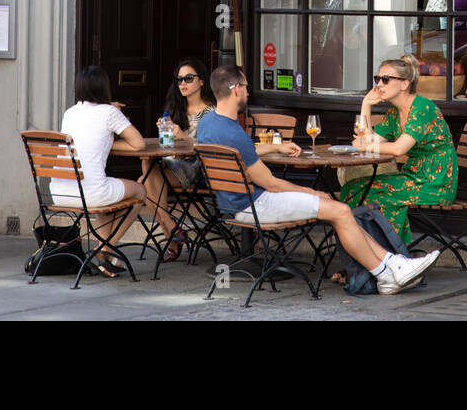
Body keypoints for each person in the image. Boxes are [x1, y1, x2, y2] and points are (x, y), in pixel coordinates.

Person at [196, 65, 440, 294]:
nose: (248, 91)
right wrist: (311, 192)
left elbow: (240, 153)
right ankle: (385, 273)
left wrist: (275, 149)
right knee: (341, 211)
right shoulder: (235, 133)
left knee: (340, 209)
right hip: (256, 206)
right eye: (246, 86)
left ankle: (393, 265)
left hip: (232, 204)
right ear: (236, 89)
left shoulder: (208, 123)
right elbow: (271, 184)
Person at [340, 55, 458, 245]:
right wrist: (366, 104)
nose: (379, 84)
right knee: (352, 189)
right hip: (412, 176)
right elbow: (367, 140)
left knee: (370, 193)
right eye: (377, 79)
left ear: (404, 84)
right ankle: (366, 257)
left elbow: (398, 149)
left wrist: (368, 145)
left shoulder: (422, 108)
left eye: (385, 79)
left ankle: (391, 255)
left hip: (435, 182)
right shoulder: (394, 113)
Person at [51, 66, 147, 276]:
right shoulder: (110, 113)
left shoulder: (71, 112)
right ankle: (105, 248)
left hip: (59, 192)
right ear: (105, 88)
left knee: (107, 195)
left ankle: (105, 258)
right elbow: (139, 144)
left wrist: (105, 141)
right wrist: (109, 133)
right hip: (90, 193)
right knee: (140, 191)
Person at [141, 58, 215, 263]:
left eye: (189, 78)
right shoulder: (175, 108)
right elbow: (169, 146)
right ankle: (173, 231)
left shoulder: (211, 112)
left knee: (143, 180)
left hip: (198, 169)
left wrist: (182, 136)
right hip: (174, 165)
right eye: (179, 79)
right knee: (145, 174)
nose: (183, 83)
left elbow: (210, 148)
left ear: (201, 81)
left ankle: (172, 236)